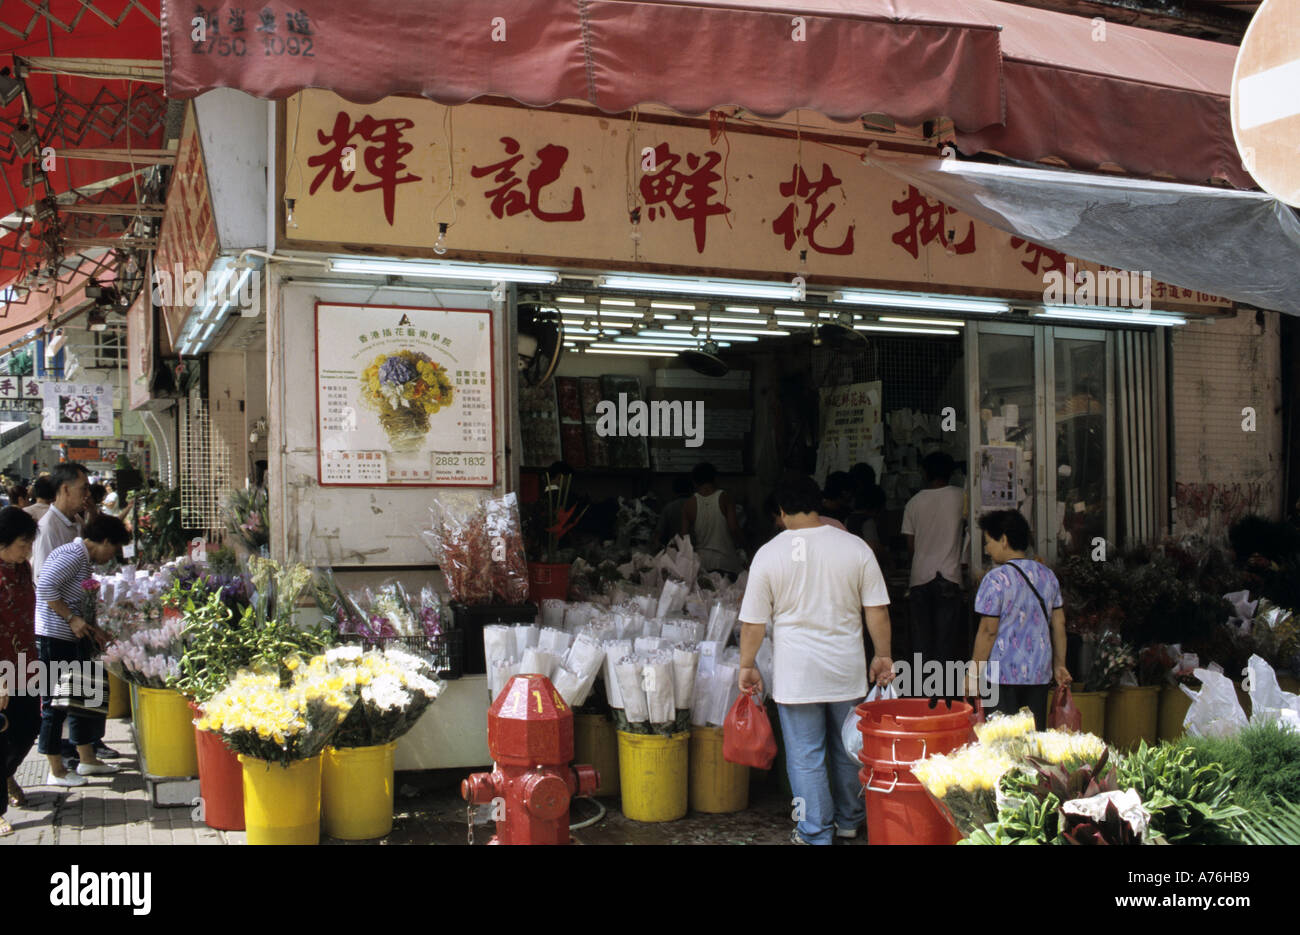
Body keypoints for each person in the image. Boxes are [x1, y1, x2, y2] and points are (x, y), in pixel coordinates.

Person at [738, 474, 894, 845]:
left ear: (780, 511)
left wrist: (747, 664)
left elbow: (753, 623)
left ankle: (814, 831)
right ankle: (849, 821)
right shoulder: (855, 548)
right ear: (819, 504)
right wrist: (883, 656)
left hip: (797, 674)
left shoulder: (769, 554)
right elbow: (877, 611)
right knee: (848, 748)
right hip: (846, 669)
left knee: (806, 757)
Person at [35, 513, 132, 788]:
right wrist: (71, 618)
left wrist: (92, 628)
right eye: (113, 549)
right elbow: (45, 586)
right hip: (54, 636)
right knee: (56, 704)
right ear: (102, 541)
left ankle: (87, 758)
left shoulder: (82, 558)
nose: (112, 556)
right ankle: (57, 770)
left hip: (71, 636)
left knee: (85, 695)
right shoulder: (72, 555)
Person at [971, 510, 1072, 730]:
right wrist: (1059, 664)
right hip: (1039, 674)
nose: (987, 549)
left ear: (1004, 540)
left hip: (1001, 676)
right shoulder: (1048, 576)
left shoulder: (995, 579)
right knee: (1032, 743)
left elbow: (988, 631)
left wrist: (973, 673)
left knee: (1002, 744)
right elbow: (1059, 624)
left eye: (989, 542)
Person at [901, 452, 967, 686]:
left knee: (921, 644)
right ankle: (946, 698)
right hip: (950, 577)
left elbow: (911, 546)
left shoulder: (914, 502)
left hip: (920, 578)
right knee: (947, 643)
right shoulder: (961, 497)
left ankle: (923, 696)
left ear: (925, 473)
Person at [0, 508, 40, 835]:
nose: (28, 551)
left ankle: (5, 773)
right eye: (23, 544)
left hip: (24, 661)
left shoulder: (23, 569)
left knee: (29, 724)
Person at [681, 462, 744, 575]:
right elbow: (734, 528)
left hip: (702, 563)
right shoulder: (725, 497)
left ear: (694, 482)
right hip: (726, 561)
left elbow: (684, 537)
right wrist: (745, 548)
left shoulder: (689, 504)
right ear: (715, 478)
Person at [32, 463, 89, 580]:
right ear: (65, 489)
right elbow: (43, 583)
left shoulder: (77, 519)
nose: (88, 494)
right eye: (84, 488)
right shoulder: (47, 529)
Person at [653, 475, 694, 550]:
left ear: (674, 490)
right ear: (690, 489)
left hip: (674, 553)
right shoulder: (696, 505)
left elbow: (658, 534)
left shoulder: (669, 508)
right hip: (695, 551)